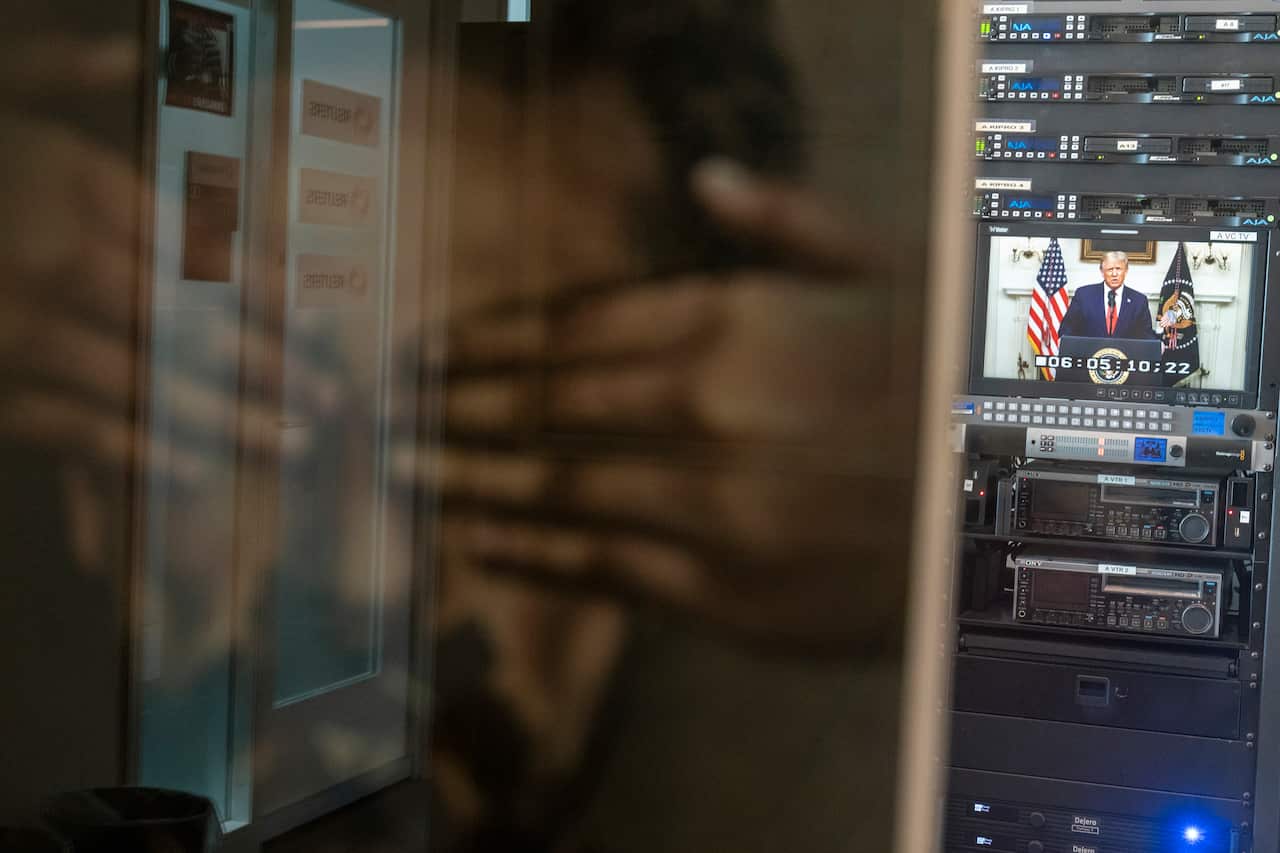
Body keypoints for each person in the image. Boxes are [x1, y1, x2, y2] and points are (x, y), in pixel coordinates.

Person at [1059, 251, 1175, 342]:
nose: (1114, 274)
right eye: (1110, 269)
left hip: (1125, 361)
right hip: (1089, 359)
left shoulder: (1139, 301)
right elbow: (1067, 330)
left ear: (1126, 271)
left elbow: (1146, 335)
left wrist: (1160, 329)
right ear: (1102, 272)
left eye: (1118, 269)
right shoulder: (1084, 295)